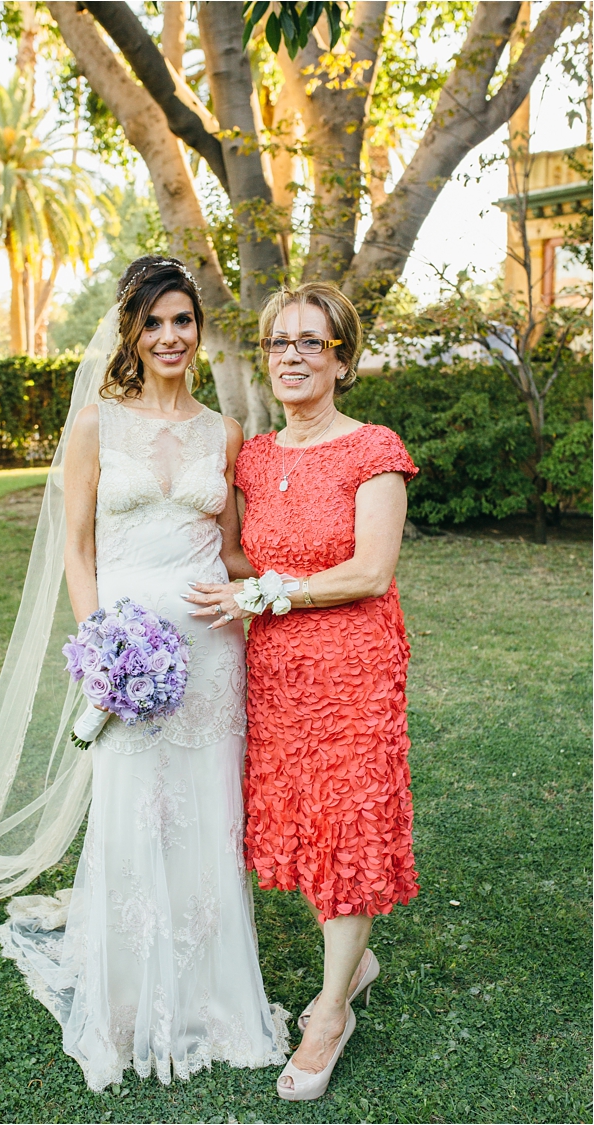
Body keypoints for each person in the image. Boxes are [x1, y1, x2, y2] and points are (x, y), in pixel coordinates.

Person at [0, 257, 290, 1090]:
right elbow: (76, 547)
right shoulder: (96, 423)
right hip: (125, 647)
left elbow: (232, 548)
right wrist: (102, 645)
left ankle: (210, 985)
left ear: (199, 329)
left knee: (205, 811)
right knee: (131, 808)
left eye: (183, 320)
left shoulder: (221, 431)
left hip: (209, 651)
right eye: (154, 322)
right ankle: (128, 993)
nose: (169, 336)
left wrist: (272, 583)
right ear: (131, 331)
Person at [186, 281, 418, 1102]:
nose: (290, 356)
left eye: (310, 342)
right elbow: (238, 559)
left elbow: (369, 570)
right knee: (306, 818)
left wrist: (270, 594)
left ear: (341, 359)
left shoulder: (373, 449)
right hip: (278, 667)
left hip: (353, 663)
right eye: (278, 342)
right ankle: (354, 961)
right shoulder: (253, 456)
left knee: (350, 818)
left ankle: (328, 1014)